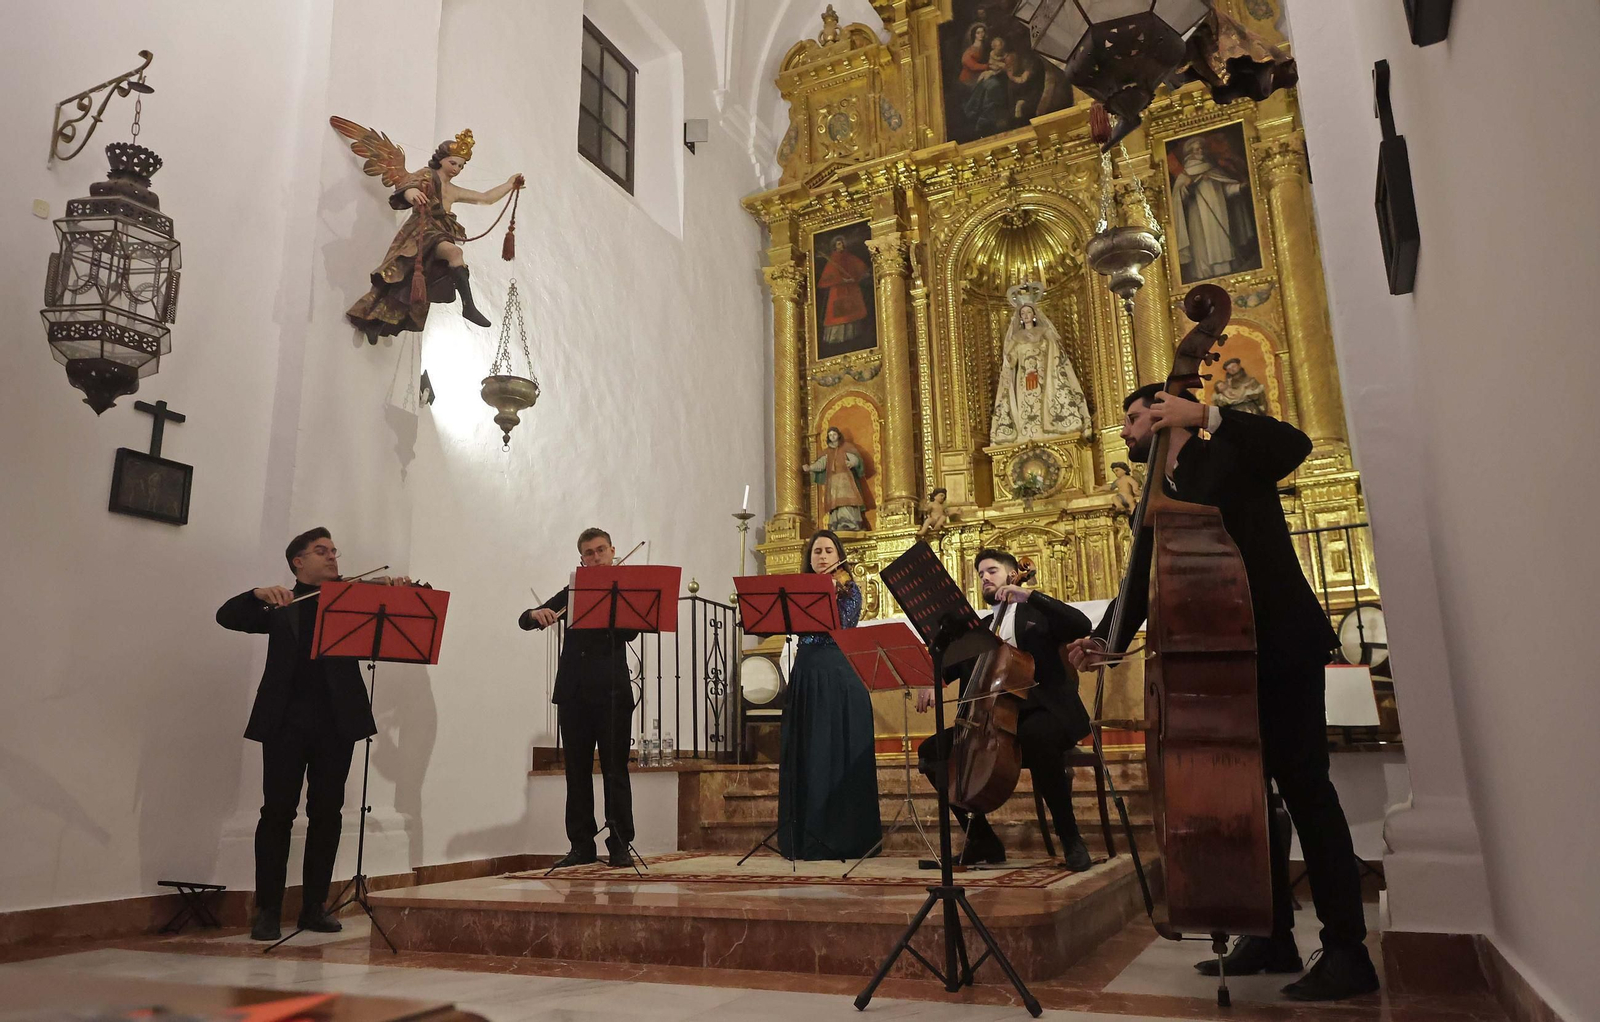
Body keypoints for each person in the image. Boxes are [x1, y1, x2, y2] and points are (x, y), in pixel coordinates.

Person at [1065, 384, 1378, 1002]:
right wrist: (1103, 639)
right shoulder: (1159, 494)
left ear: (1163, 415)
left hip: (1278, 644)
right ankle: (1272, 935)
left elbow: (1295, 443)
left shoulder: (1227, 454)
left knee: (1306, 788)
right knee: (1251, 795)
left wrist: (1208, 415)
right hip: (1223, 658)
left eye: (1133, 417)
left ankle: (1348, 949)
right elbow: (1143, 579)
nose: (1126, 432)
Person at [216, 527, 413, 941]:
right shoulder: (280, 604)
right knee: (277, 813)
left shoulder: (353, 602)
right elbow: (227, 616)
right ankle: (267, 910)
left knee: (327, 814)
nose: (332, 558)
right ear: (298, 562)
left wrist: (397, 590)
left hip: (337, 720)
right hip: (285, 720)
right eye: (321, 552)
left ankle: (313, 907)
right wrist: (256, 593)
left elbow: (405, 609)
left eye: (334, 552)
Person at [916, 549, 1094, 870]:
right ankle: (982, 840)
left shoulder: (1037, 614)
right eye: (980, 573)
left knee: (1037, 736)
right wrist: (934, 679)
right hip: (991, 721)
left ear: (1012, 574)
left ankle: (1071, 838)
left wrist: (1030, 596)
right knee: (932, 752)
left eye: (992, 571)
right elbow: (950, 666)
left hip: (1044, 711)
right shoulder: (977, 629)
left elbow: (1082, 624)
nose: (985, 577)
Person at [520, 528, 640, 868]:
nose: (596, 556)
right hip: (573, 693)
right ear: (582, 559)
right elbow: (526, 620)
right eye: (589, 553)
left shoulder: (625, 592)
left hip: (613, 692)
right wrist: (535, 615)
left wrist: (612, 605)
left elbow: (631, 631)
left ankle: (619, 844)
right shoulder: (571, 592)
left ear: (613, 551)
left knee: (615, 770)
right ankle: (581, 845)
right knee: (576, 771)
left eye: (601, 550)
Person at [344, 128, 524, 340]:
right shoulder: (426, 176)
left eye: (461, 166)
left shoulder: (454, 190)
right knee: (404, 277)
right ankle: (467, 307)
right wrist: (413, 195)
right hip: (422, 232)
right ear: (441, 159)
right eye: (453, 163)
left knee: (411, 285)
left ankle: (466, 307)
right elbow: (408, 186)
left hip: (440, 233)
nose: (457, 169)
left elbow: (485, 198)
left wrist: (509, 184)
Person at [777, 530, 881, 859]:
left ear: (839, 556)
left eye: (828, 550)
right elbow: (796, 627)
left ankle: (846, 836)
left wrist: (832, 593)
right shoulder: (797, 592)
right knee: (810, 750)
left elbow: (843, 625)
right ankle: (805, 833)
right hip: (807, 673)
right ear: (809, 558)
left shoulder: (849, 589)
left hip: (839, 673)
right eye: (817, 550)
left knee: (836, 750)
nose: (822, 556)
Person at [990, 286, 1092, 445]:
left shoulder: (1044, 332)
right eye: (1022, 314)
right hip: (1025, 379)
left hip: (1043, 374)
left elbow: (1054, 351)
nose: (1026, 316)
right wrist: (1009, 359)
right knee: (1026, 404)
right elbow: (1012, 358)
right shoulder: (1017, 337)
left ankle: (1047, 429)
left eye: (1028, 313)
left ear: (1034, 314)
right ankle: (1027, 433)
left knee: (1044, 399)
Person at [806, 426, 868, 531]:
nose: (832, 437)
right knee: (835, 504)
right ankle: (837, 524)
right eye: (830, 435)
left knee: (847, 502)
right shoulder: (827, 452)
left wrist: (852, 463)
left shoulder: (846, 447)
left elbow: (855, 458)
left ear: (838, 435)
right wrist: (810, 467)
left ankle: (850, 523)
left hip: (845, 481)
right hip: (833, 482)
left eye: (834, 434)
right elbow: (821, 464)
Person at [816, 236, 871, 353]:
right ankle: (837, 338)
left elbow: (861, 270)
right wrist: (840, 280)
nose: (839, 246)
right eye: (837, 244)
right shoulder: (833, 259)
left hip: (851, 290)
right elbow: (826, 278)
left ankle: (852, 336)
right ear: (834, 246)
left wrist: (854, 278)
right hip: (837, 292)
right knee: (837, 315)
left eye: (841, 244)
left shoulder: (849, 257)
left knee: (852, 314)